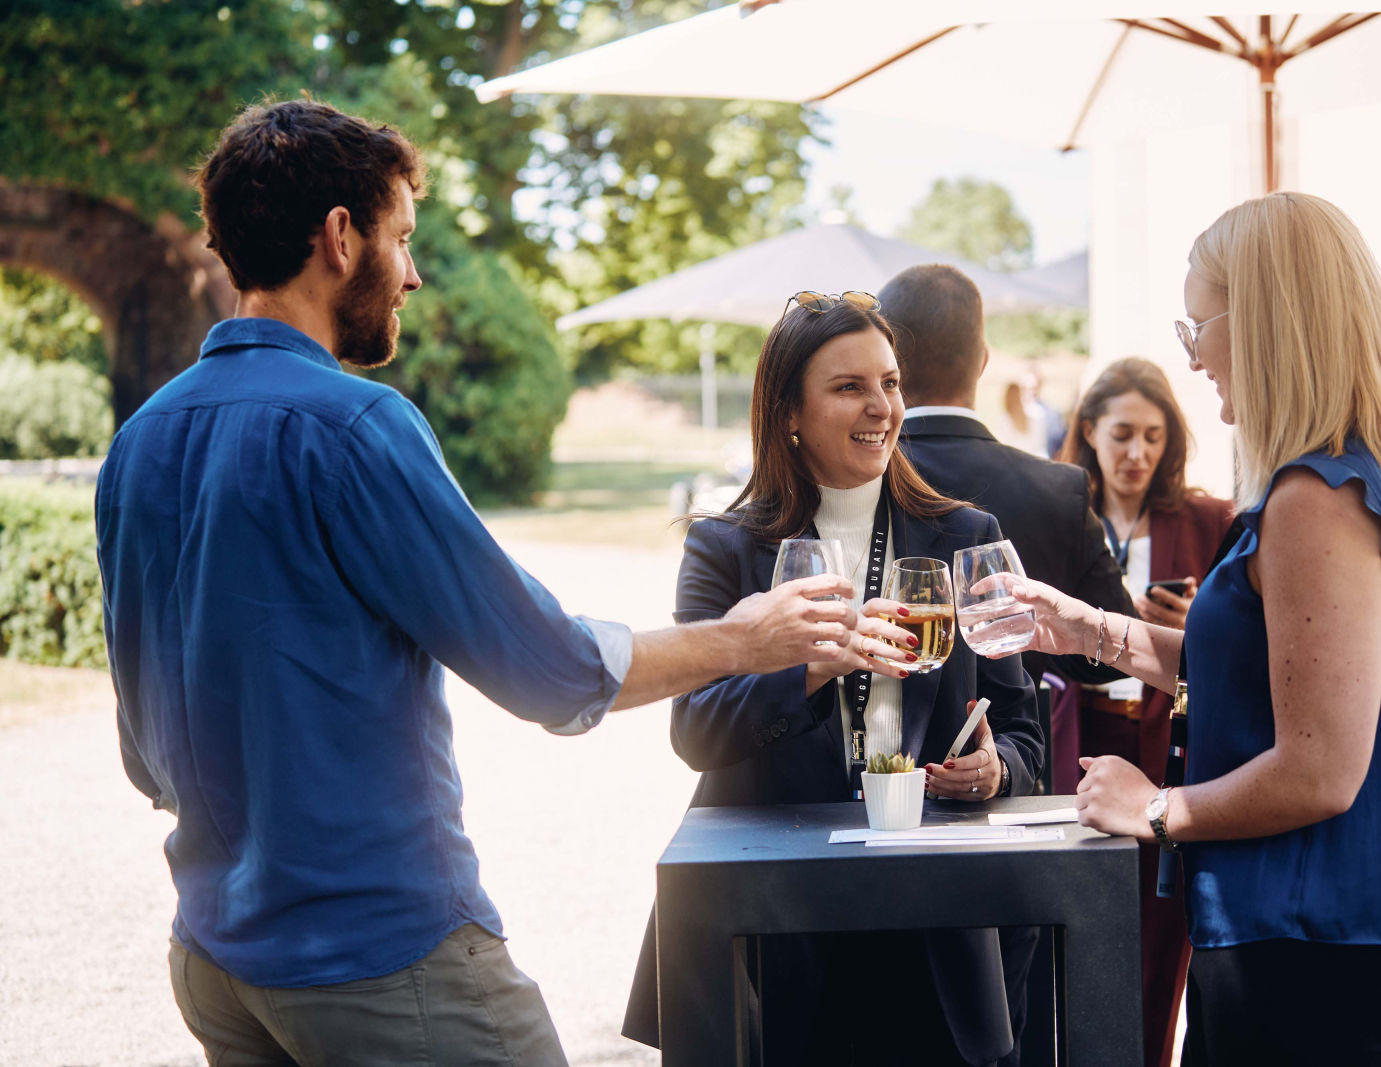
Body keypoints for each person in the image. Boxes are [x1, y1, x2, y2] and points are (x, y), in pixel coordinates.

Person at [95, 100, 884, 1067]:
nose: (414, 273)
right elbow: (548, 668)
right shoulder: (355, 427)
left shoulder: (139, 443)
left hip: (214, 962)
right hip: (380, 957)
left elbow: (144, 754)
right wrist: (744, 639)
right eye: (402, 237)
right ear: (341, 238)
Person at [988, 193, 1381, 1065]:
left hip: (1314, 940)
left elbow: (1318, 768)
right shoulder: (1379, 478)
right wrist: (1090, 627)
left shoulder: (1316, 499)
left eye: (1195, 323)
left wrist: (1155, 809)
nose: (1194, 352)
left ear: (1267, 320)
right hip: (1351, 935)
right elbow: (1262, 670)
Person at [621, 290, 1044, 1067]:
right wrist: (814, 665)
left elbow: (1023, 734)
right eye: (850, 387)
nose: (882, 406)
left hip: (934, 921)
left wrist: (994, 771)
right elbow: (694, 733)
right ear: (789, 410)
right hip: (781, 920)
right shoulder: (724, 548)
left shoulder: (966, 535)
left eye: (890, 382)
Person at [879, 263, 1137, 787]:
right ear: (983, 361)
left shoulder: (861, 476)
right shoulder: (1057, 489)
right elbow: (1107, 663)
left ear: (891, 363)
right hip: (1002, 779)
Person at [1057, 356, 1232, 1067]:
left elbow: (1243, 641)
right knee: (1078, 937)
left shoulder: (1207, 517)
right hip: (1075, 737)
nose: (1139, 453)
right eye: (1124, 434)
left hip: (1166, 745)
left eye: (1154, 437)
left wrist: (1201, 624)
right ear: (1091, 430)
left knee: (1162, 942)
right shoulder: (1060, 511)